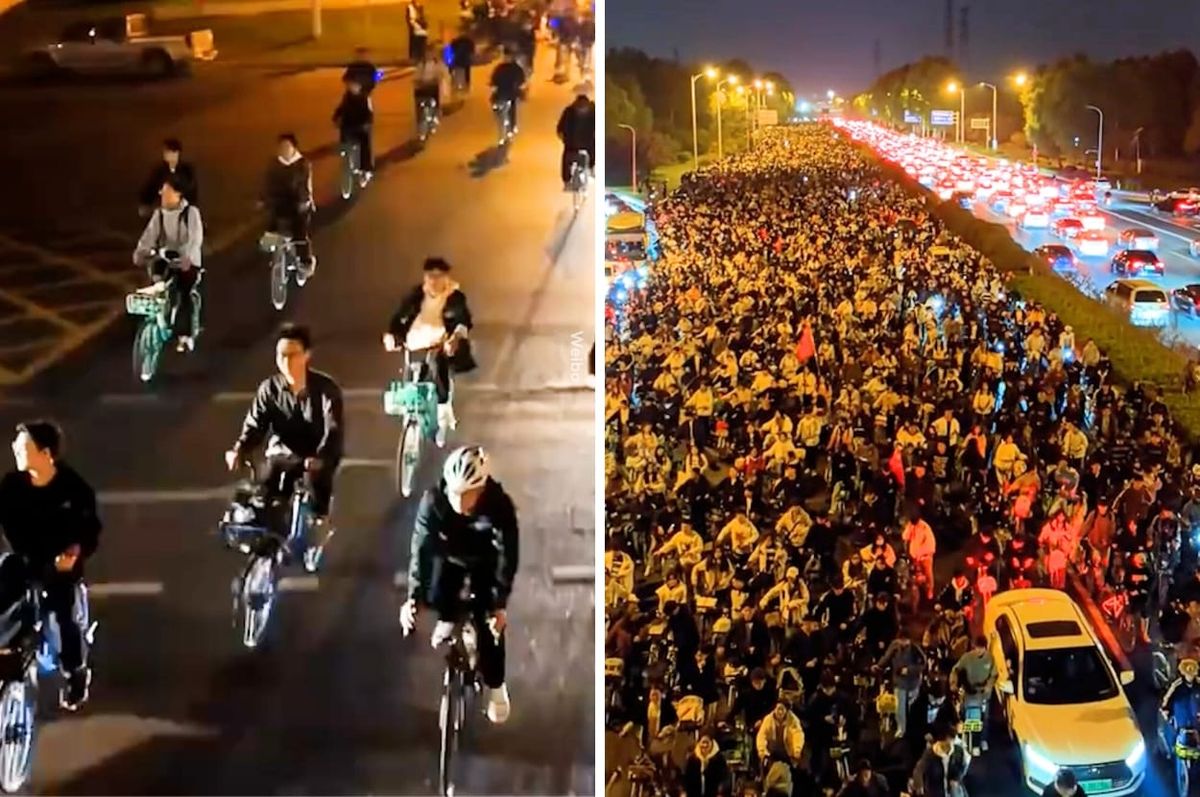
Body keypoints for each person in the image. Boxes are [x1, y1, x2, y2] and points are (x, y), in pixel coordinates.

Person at [399, 446, 519, 724]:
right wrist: (413, 598)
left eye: (467, 495)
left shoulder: (500, 505)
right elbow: (421, 549)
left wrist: (500, 604)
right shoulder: (433, 502)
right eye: (455, 493)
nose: (460, 502)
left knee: (490, 626)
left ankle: (496, 684)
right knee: (438, 590)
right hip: (449, 557)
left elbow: (508, 555)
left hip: (485, 561)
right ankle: (448, 619)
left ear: (482, 489)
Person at [224, 324, 343, 573]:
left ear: (307, 355)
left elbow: (333, 429)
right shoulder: (269, 389)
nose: (286, 361)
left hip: (316, 455)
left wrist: (321, 457)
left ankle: (319, 526)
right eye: (281, 355)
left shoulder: (326, 389)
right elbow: (255, 425)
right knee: (264, 497)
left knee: (316, 492)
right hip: (283, 453)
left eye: (293, 354)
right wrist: (240, 449)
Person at [0, 421, 101, 710]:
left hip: (59, 568)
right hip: (24, 561)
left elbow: (90, 530)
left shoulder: (75, 490)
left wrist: (74, 553)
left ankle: (75, 675)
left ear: (45, 454)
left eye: (23, 446)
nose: (15, 449)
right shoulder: (11, 486)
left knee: (61, 618)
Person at [383, 257, 476, 448]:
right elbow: (399, 318)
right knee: (410, 379)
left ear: (446, 278)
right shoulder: (416, 295)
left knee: (437, 367)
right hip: (415, 341)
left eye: (438, 277)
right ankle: (411, 419)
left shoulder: (455, 297)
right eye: (430, 277)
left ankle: (442, 413)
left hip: (440, 343)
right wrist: (391, 336)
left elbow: (463, 322)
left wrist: (455, 339)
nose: (434, 281)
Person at [132, 174, 204, 355]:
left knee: (184, 291)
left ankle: (185, 335)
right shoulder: (159, 214)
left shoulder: (191, 213)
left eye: (166, 190)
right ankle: (159, 315)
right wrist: (141, 253)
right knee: (156, 280)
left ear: (178, 193)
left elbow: (195, 240)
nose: (161, 193)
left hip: (187, 262)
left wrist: (186, 257)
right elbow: (148, 237)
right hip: (165, 259)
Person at [262, 133, 316, 271]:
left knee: (300, 233)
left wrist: (304, 202)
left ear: (294, 148)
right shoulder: (274, 164)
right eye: (282, 147)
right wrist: (263, 199)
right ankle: (275, 254)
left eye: (287, 146)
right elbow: (267, 184)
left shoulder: (302, 164)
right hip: (280, 202)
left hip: (298, 204)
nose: (284, 149)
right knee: (271, 228)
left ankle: (305, 263)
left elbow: (304, 186)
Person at [951, 636, 996, 753]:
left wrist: (989, 686)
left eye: (981, 649)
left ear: (985, 648)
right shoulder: (967, 657)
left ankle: (982, 739)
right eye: (977, 648)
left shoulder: (990, 658)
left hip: (983, 693)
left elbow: (993, 675)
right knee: (965, 716)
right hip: (969, 692)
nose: (978, 651)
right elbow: (956, 670)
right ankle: (967, 739)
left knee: (984, 718)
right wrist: (954, 683)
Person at [138, 138, 198, 214]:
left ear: (178, 153)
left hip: (182, 209)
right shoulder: (159, 171)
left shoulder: (186, 170)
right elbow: (150, 187)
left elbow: (190, 188)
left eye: (173, 152)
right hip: (163, 209)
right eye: (166, 152)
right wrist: (145, 204)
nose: (170, 155)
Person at [333, 76, 374, 181]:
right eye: (348, 85)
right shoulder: (347, 96)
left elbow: (369, 113)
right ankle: (344, 148)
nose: (350, 87)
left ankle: (366, 169)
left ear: (358, 86)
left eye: (352, 85)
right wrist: (336, 117)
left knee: (365, 145)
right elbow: (341, 108)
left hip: (360, 126)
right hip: (349, 124)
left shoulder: (365, 98)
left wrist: (367, 123)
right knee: (344, 130)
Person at [556, 93, 595, 189]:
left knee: (567, 159)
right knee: (592, 154)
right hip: (585, 144)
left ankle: (567, 181)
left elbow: (560, 128)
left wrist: (562, 136)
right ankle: (590, 169)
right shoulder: (593, 112)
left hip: (573, 144)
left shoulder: (569, 111)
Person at [490, 47, 527, 138]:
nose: (506, 58)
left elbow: (521, 80)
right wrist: (493, 86)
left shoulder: (514, 68)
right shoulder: (501, 68)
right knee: (501, 110)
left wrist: (520, 87)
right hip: (503, 93)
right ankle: (507, 130)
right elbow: (494, 79)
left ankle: (511, 126)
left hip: (511, 93)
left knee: (512, 110)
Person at [412, 46, 449, 130]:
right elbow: (416, 76)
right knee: (420, 107)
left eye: (431, 53)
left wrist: (437, 79)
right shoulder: (421, 64)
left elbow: (443, 75)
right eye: (427, 53)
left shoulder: (438, 64)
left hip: (432, 89)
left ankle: (431, 122)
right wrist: (418, 81)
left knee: (432, 106)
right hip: (421, 89)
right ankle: (421, 123)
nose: (429, 55)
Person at [448, 27, 475, 92]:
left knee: (458, 71)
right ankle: (465, 84)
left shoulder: (457, 41)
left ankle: (458, 84)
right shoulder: (469, 41)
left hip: (459, 58)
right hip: (465, 58)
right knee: (466, 71)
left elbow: (452, 48)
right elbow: (472, 50)